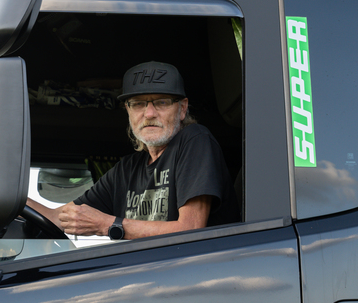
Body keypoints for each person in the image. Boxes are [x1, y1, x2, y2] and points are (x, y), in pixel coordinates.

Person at [27, 61, 240, 240]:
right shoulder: (126, 169)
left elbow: (191, 229)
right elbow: (58, 218)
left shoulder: (194, 140)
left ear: (182, 108)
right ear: (128, 111)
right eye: (138, 104)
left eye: (162, 102)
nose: (149, 113)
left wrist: (108, 225)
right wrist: (13, 200)